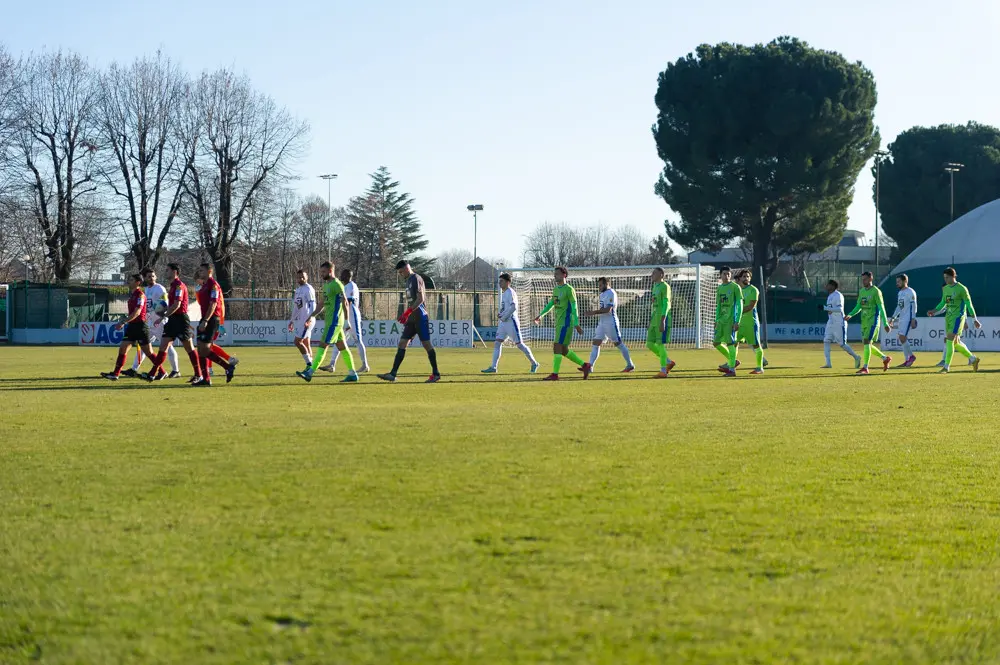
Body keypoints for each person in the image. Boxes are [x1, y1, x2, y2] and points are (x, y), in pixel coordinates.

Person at [378, 260, 441, 383]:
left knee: (426, 345)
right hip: (412, 318)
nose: (400, 274)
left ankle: (436, 374)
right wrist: (407, 314)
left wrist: (407, 312)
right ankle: (393, 373)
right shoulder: (408, 281)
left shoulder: (416, 278)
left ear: (407, 268)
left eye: (401, 272)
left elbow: (421, 298)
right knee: (402, 343)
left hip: (420, 317)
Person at [297, 261, 359, 383]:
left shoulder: (337, 284)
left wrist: (347, 320)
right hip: (331, 322)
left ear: (330, 271)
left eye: (323, 272)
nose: (321, 274)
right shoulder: (326, 286)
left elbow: (345, 302)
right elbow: (321, 304)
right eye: (320, 272)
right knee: (343, 348)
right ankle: (352, 373)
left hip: (334, 322)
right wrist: (311, 316)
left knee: (323, 345)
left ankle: (309, 373)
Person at [142, 263, 203, 382]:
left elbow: (177, 304)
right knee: (163, 346)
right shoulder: (173, 286)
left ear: (174, 272)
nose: (166, 272)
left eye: (168, 270)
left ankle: (198, 374)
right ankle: (153, 373)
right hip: (172, 319)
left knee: (189, 348)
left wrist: (163, 316)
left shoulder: (179, 286)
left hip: (180, 319)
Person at [532, 266, 588, 381]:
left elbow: (574, 306)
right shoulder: (556, 289)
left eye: (557, 273)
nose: (554, 275)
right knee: (563, 350)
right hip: (559, 323)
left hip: (566, 323)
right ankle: (585, 365)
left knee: (557, 346)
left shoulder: (569, 289)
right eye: (554, 274)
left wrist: (576, 323)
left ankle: (555, 374)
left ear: (564, 275)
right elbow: (551, 304)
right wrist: (541, 315)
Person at [101, 274, 159, 381]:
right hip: (132, 326)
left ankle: (162, 372)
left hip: (141, 327)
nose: (128, 281)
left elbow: (137, 312)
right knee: (123, 348)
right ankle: (115, 374)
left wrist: (123, 321)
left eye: (131, 279)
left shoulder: (140, 295)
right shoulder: (132, 295)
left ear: (138, 283)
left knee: (149, 352)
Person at [125, 268, 179, 379]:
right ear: (145, 278)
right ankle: (134, 369)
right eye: (149, 276)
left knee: (167, 346)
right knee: (144, 346)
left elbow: (164, 304)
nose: (152, 278)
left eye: (153, 276)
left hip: (160, 322)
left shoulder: (159, 288)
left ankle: (176, 370)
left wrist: (161, 315)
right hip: (150, 322)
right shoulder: (146, 290)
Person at [481, 272, 539, 374]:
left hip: (511, 322)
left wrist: (504, 316)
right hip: (504, 323)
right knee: (497, 343)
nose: (499, 283)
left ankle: (534, 363)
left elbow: (514, 307)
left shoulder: (511, 292)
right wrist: (501, 314)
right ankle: (493, 367)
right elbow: (506, 308)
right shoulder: (504, 293)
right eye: (499, 281)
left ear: (508, 282)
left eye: (502, 281)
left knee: (520, 345)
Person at [928, 267, 981, 373]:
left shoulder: (962, 289)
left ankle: (946, 366)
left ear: (953, 276)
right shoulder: (946, 288)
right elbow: (943, 302)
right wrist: (934, 310)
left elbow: (969, 305)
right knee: (955, 343)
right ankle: (973, 359)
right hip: (948, 317)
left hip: (958, 318)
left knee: (949, 339)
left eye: (947, 277)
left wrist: (974, 319)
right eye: (944, 278)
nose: (945, 280)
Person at [192, 263, 236, 386]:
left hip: (211, 319)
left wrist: (206, 320)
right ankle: (205, 379)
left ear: (209, 271)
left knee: (205, 349)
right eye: (199, 270)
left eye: (202, 270)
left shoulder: (213, 286)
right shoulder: (204, 286)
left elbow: (213, 304)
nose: (200, 272)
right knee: (200, 350)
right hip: (204, 318)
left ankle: (227, 367)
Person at [321, 268, 371, 374]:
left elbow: (348, 301)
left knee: (357, 340)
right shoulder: (345, 286)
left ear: (348, 276)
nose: (341, 276)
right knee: (339, 340)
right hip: (345, 316)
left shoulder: (351, 286)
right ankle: (332, 364)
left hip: (352, 316)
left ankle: (365, 365)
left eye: (343, 274)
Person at [584, 276, 634, 373]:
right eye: (598, 285)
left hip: (611, 322)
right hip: (602, 322)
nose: (599, 287)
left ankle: (630, 364)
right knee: (596, 342)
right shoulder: (603, 294)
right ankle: (590, 367)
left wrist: (592, 312)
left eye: (601, 285)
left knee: (618, 343)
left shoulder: (611, 293)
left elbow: (608, 309)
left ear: (607, 284)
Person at [845, 271, 891, 375]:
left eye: (865, 279)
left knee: (866, 342)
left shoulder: (876, 291)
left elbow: (881, 307)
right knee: (868, 345)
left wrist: (885, 323)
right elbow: (859, 306)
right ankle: (885, 358)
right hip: (864, 321)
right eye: (862, 279)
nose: (863, 281)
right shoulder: (862, 291)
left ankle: (865, 368)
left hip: (873, 321)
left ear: (871, 279)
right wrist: (851, 314)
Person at [821, 279, 861, 369]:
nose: (826, 286)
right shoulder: (830, 296)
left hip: (839, 322)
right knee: (826, 340)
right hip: (830, 322)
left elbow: (839, 309)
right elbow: (830, 310)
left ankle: (856, 357)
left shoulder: (838, 295)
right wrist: (827, 309)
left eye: (828, 284)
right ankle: (828, 363)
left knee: (842, 344)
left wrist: (825, 308)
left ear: (832, 286)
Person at [734, 269, 766, 375]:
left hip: (751, 323)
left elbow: (751, 306)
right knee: (733, 343)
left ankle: (759, 367)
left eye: (748, 276)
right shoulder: (738, 290)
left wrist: (737, 312)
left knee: (756, 344)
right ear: (740, 278)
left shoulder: (753, 290)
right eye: (744, 276)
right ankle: (731, 363)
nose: (746, 278)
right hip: (739, 323)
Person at [714, 266, 743, 376]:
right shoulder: (720, 288)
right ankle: (733, 361)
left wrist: (737, 321)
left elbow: (740, 305)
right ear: (720, 275)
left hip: (731, 320)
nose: (726, 276)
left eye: (728, 274)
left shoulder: (735, 287)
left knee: (730, 344)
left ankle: (732, 370)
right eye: (724, 274)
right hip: (721, 320)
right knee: (716, 343)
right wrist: (716, 320)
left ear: (730, 275)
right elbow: (719, 306)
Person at [646, 267, 675, 378]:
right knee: (649, 343)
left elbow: (666, 304)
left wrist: (663, 319)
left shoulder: (665, 287)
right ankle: (668, 361)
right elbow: (654, 306)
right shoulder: (655, 287)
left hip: (662, 318)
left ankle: (663, 370)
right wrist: (651, 319)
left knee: (660, 344)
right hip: (654, 319)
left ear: (661, 275)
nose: (652, 275)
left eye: (654, 273)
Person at [290, 269, 317, 373]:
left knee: (297, 342)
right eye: (298, 277)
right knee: (306, 343)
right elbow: (297, 307)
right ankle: (311, 369)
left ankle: (309, 365)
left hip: (308, 320)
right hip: (301, 320)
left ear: (307, 278)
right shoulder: (298, 290)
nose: (300, 279)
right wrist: (292, 320)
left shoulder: (308, 289)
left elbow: (313, 305)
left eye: (303, 277)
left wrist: (309, 318)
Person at [889, 273, 918, 368]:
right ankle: (907, 360)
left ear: (905, 281)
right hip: (902, 318)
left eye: (899, 281)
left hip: (908, 318)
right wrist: (893, 317)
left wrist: (913, 318)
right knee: (901, 338)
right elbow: (899, 306)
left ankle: (911, 357)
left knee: (902, 337)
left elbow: (914, 306)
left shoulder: (910, 292)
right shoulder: (900, 293)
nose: (897, 283)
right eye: (896, 282)